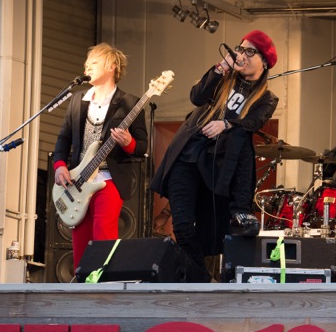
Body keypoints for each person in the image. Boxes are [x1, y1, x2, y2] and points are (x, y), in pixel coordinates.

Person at [150, 30, 279, 278]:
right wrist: (221, 67)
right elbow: (196, 96)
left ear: (264, 61)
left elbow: (254, 122)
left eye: (250, 51)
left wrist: (226, 124)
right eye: (240, 49)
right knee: (182, 227)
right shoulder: (222, 78)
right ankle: (202, 281)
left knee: (210, 232)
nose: (242, 55)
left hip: (217, 163)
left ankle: (241, 209)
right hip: (187, 155)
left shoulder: (266, 98)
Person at [53, 43, 148, 271]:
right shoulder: (78, 100)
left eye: (94, 63)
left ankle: (102, 282)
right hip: (78, 179)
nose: (87, 67)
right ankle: (82, 283)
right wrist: (59, 165)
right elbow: (64, 138)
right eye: (86, 64)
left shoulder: (130, 103)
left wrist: (128, 142)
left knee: (103, 234)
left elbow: (142, 147)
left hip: (109, 179)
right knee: (80, 240)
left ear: (112, 66)